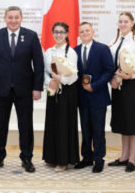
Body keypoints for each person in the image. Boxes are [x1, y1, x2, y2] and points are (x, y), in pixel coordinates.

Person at [0, 6, 44, 173]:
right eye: (10, 17)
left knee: (26, 125)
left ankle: (26, 158)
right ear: (5, 18)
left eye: (16, 17)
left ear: (21, 18)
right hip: (1, 88)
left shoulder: (31, 36)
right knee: (0, 124)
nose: (13, 20)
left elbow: (38, 65)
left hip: (24, 89)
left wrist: (37, 88)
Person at [108, 12, 135, 173]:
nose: (123, 24)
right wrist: (113, 77)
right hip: (118, 85)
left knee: (133, 121)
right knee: (123, 120)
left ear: (133, 24)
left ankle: (132, 158)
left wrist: (129, 76)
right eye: (120, 21)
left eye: (126, 21)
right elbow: (109, 62)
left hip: (133, 85)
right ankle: (124, 156)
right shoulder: (113, 41)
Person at [74, 22, 115, 173]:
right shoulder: (75, 50)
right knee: (85, 130)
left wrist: (95, 85)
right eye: (82, 31)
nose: (84, 33)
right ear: (79, 34)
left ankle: (99, 159)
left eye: (87, 30)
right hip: (82, 97)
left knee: (98, 130)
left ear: (93, 32)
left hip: (98, 96)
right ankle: (86, 157)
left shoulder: (102, 49)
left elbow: (109, 70)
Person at [42, 22, 79, 172]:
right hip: (53, 91)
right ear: (52, 33)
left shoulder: (71, 52)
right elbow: (45, 71)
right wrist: (50, 82)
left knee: (64, 124)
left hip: (67, 92)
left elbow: (74, 75)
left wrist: (60, 80)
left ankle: (64, 161)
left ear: (66, 34)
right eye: (56, 32)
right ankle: (51, 157)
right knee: (52, 123)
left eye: (61, 32)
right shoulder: (49, 51)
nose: (58, 35)